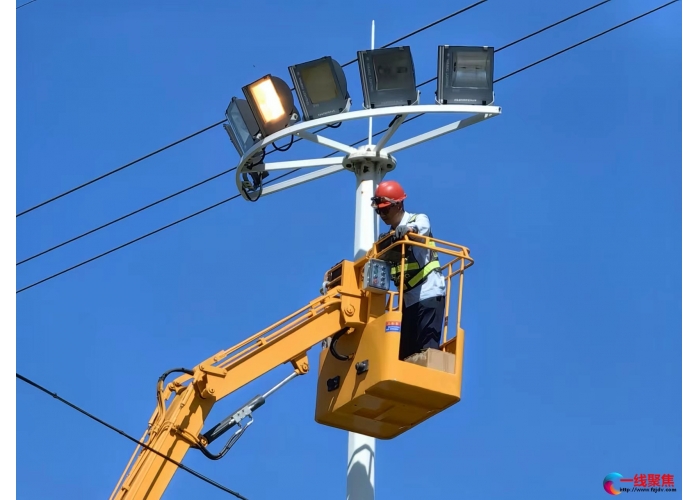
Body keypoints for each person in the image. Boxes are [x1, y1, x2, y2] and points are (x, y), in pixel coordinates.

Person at [371, 180, 446, 360]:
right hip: (406, 300)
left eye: (385, 209)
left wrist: (409, 230)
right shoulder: (386, 239)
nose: (382, 214)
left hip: (428, 292)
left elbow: (422, 229)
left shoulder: (418, 219)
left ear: (399, 205)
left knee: (426, 353)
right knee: (404, 356)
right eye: (379, 210)